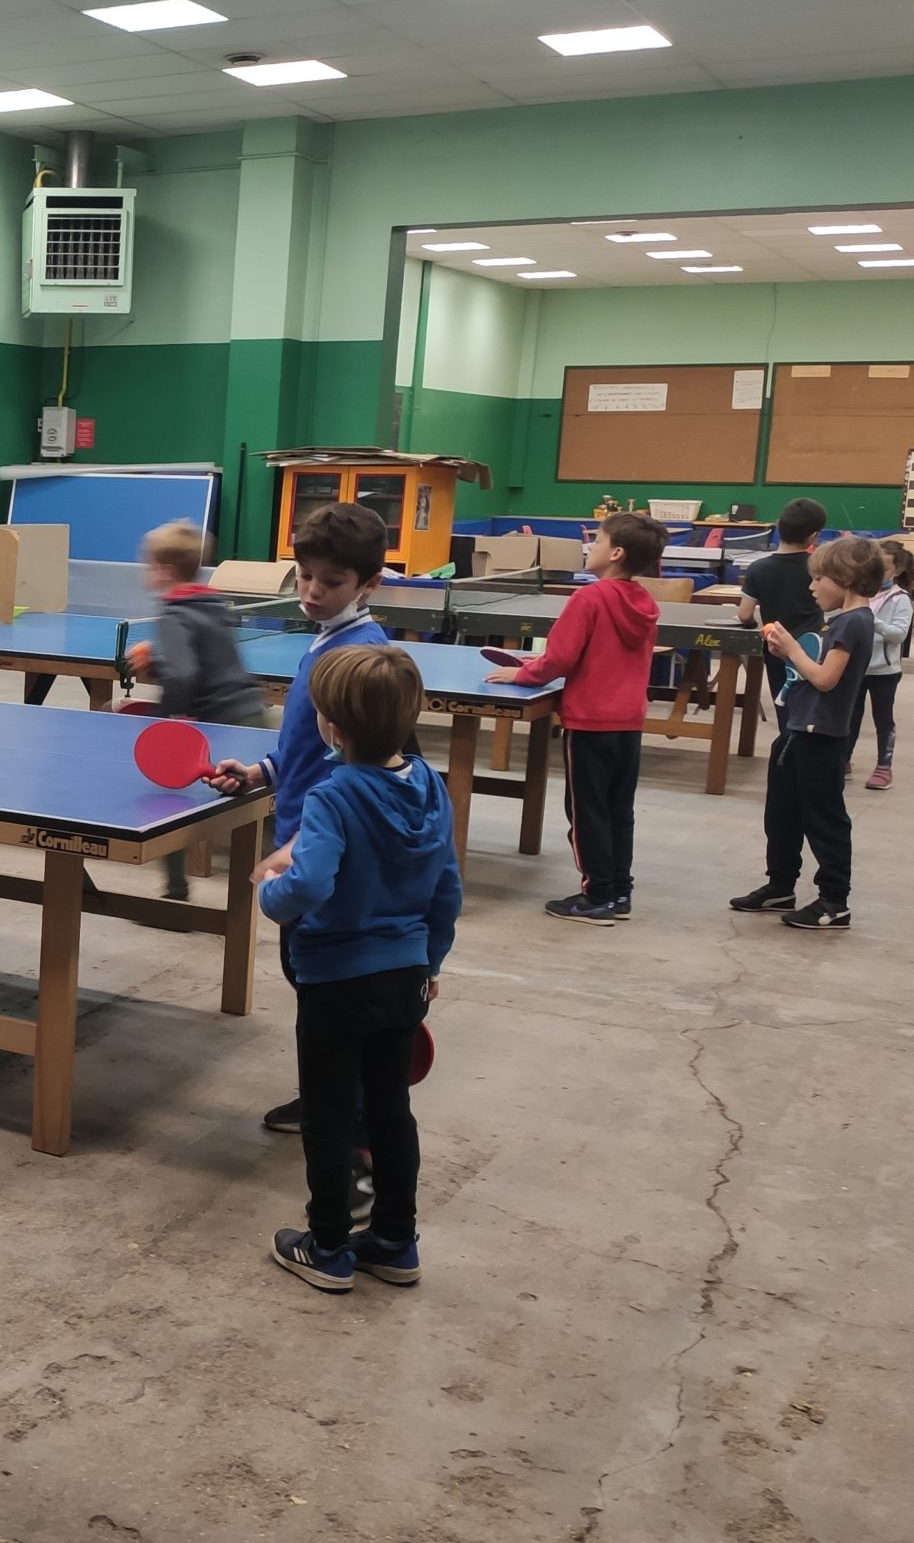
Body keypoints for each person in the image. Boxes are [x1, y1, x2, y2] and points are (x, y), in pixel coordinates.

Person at [249, 645, 460, 1292]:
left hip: (336, 981)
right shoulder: (431, 786)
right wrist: (430, 961)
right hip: (405, 978)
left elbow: (310, 883)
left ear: (332, 728)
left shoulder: (333, 795)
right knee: (390, 1110)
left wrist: (269, 893)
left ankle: (329, 1247)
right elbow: (447, 889)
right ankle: (395, 1242)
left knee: (330, 1115)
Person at [207, 503, 393, 1141]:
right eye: (306, 575)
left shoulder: (358, 658)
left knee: (325, 986)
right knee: (310, 980)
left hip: (324, 844)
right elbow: (311, 746)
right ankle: (330, 1097)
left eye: (331, 582)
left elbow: (365, 768)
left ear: (369, 584)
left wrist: (306, 846)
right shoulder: (327, 642)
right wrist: (261, 772)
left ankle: (344, 1114)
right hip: (306, 829)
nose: (312, 591)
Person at [485, 512, 666, 924]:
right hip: (629, 722)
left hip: (590, 721)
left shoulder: (588, 598)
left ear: (616, 553)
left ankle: (597, 896)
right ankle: (619, 891)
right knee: (618, 809)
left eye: (597, 540)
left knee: (586, 812)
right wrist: (538, 663)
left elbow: (561, 659)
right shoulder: (645, 603)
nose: (591, 546)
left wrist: (523, 674)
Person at [731, 535, 883, 931]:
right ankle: (780, 885)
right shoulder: (841, 620)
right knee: (782, 813)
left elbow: (826, 679)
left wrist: (791, 650)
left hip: (822, 737)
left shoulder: (853, 621)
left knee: (823, 820)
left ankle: (834, 900)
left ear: (845, 578)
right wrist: (789, 654)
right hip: (798, 730)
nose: (812, 587)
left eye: (818, 579)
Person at [132, 518, 267, 896]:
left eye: (149, 566)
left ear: (164, 571)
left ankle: (175, 887)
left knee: (165, 798)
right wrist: (159, 664)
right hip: (249, 713)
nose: (147, 572)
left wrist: (166, 721)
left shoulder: (172, 615)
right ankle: (254, 890)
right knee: (250, 808)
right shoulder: (213, 604)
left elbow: (184, 674)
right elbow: (205, 661)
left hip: (214, 720)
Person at [737, 498, 827, 702]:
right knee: (808, 704)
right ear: (814, 536)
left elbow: (744, 614)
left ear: (779, 527)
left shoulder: (758, 569)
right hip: (812, 646)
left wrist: (752, 624)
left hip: (776, 645)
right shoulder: (818, 567)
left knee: (782, 701)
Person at [850, 540, 914, 792]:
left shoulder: (900, 599)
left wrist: (870, 620)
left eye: (884, 569)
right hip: (855, 668)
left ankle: (883, 767)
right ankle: (843, 760)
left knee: (883, 720)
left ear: (897, 571)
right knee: (849, 717)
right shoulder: (859, 593)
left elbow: (899, 634)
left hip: (884, 671)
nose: (877, 574)